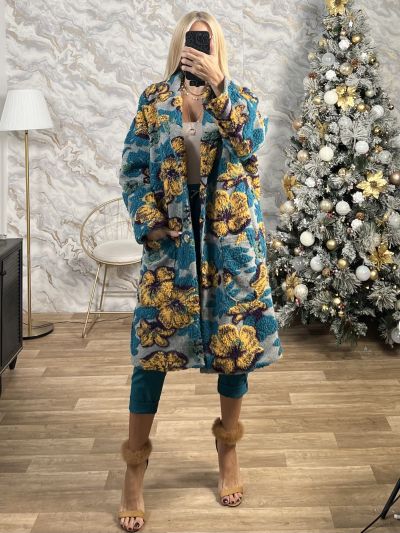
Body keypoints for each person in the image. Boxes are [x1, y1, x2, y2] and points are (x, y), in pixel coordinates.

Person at [117, 10, 283, 532]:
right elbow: (133, 167)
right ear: (179, 45)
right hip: (173, 244)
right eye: (193, 40)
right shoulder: (153, 101)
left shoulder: (240, 99)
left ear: (217, 48)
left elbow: (251, 143)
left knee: (234, 348)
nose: (198, 47)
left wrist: (220, 87)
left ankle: (228, 449)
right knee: (151, 354)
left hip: (228, 245)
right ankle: (134, 466)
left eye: (206, 41)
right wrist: (150, 223)